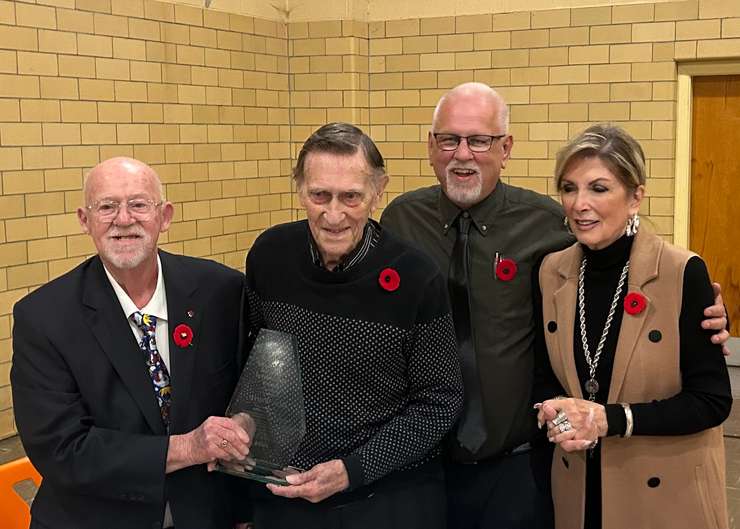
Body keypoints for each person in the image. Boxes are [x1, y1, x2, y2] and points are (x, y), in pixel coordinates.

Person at [380, 82, 731, 529]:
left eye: (479, 140)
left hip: (520, 465)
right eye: (449, 139)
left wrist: (707, 311)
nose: (462, 153)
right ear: (431, 146)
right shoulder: (400, 220)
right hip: (422, 459)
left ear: (505, 148)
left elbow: (626, 269)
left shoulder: (546, 225)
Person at [242, 122, 463, 528]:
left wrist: (352, 469)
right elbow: (255, 364)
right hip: (287, 497)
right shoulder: (269, 257)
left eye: (351, 197)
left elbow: (440, 402)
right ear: (299, 189)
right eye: (319, 195)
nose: (333, 214)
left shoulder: (416, 276)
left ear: (379, 192)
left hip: (388, 498)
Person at [11, 157, 252, 529]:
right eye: (106, 206)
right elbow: (62, 450)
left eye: (139, 204)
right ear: (84, 220)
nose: (123, 219)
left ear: (165, 216)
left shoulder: (220, 291)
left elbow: (249, 393)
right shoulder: (44, 318)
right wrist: (188, 447)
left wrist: (244, 427)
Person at [535, 124, 731, 529]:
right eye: (569, 188)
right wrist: (559, 414)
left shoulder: (681, 272)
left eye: (599, 189)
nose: (579, 204)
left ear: (636, 196)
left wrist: (611, 419)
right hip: (579, 490)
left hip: (663, 495)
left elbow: (712, 400)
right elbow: (544, 375)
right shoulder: (552, 271)